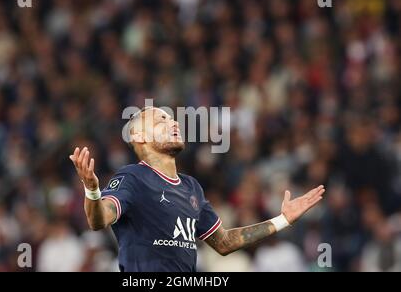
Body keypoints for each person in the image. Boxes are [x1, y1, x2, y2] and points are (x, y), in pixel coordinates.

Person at [69, 107, 325, 272]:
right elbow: (98, 219)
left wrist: (282, 220)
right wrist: (92, 190)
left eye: (172, 118)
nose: (174, 123)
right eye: (161, 120)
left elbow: (223, 242)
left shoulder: (191, 188)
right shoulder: (133, 177)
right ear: (139, 136)